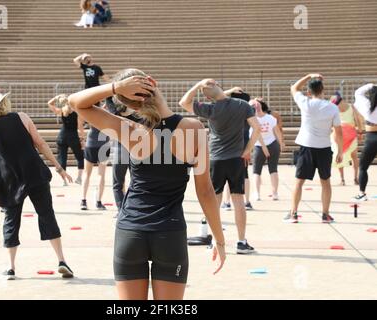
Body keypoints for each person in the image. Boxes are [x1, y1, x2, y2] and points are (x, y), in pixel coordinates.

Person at [68, 69, 226, 300]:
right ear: (153, 83)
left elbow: (76, 103)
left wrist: (114, 88)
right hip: (169, 233)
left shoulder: (130, 130)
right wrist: (219, 240)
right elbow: (205, 191)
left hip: (131, 231)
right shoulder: (193, 129)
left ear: (130, 105)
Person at [0, 85, 74, 280]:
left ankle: (11, 268)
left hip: (10, 179)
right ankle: (62, 261)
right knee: (47, 215)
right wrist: (59, 168)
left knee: (11, 221)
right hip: (35, 173)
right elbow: (40, 143)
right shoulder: (22, 117)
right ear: (4, 102)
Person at [180, 79, 264, 254]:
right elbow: (257, 128)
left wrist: (197, 85)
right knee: (238, 200)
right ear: (218, 86)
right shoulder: (241, 105)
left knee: (215, 201)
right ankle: (241, 242)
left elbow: (184, 102)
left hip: (216, 158)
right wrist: (247, 149)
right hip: (236, 158)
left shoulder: (210, 109)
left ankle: (215, 240)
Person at [287, 74, 343, 223]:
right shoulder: (332, 107)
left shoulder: (305, 102)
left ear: (309, 92)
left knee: (299, 181)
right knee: (326, 182)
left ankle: (293, 214)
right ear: (323, 90)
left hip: (307, 147)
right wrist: (341, 151)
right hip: (324, 147)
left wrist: (308, 76)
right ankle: (325, 214)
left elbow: (294, 88)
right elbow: (338, 132)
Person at [106, 102, 142, 217]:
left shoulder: (115, 113)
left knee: (117, 183)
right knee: (135, 182)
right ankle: (135, 208)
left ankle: (121, 210)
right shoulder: (136, 115)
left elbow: (109, 100)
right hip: (134, 149)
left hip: (120, 149)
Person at [249, 99, 284, 201]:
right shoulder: (270, 118)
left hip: (260, 146)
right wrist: (280, 143)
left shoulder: (252, 120)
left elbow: (257, 134)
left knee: (256, 171)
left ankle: (257, 193)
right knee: (273, 169)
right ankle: (274, 193)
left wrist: (278, 143)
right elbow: (276, 131)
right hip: (271, 144)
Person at [48, 94, 85, 186]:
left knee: (62, 159)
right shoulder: (77, 113)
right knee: (80, 157)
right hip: (73, 137)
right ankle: (79, 178)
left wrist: (56, 97)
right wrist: (83, 139)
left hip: (62, 137)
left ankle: (64, 181)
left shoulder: (61, 111)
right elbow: (80, 128)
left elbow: (49, 103)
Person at [329, 92, 363, 186]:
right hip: (350, 134)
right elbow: (358, 120)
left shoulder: (333, 108)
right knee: (354, 157)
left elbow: (330, 122)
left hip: (338, 134)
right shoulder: (351, 107)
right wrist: (360, 132)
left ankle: (342, 179)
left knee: (339, 156)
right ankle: (355, 178)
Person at [353, 83, 377, 201]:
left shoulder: (367, 105)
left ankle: (362, 193)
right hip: (372, 136)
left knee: (363, 167)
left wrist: (371, 85)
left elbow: (358, 92)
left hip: (371, 137)